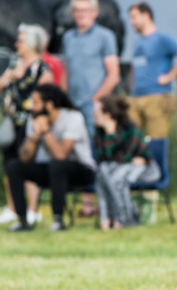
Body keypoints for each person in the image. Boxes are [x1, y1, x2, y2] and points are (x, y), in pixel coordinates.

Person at [4, 84, 97, 232]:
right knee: (14, 166)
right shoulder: (34, 118)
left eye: (35, 103)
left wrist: (46, 131)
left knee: (57, 164)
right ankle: (22, 220)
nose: (31, 107)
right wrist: (34, 136)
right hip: (50, 169)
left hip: (81, 171)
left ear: (49, 105)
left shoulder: (73, 117)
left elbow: (61, 155)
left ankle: (58, 220)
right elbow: (25, 158)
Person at [0, 23, 54, 227]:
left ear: (32, 43)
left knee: (27, 165)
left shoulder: (42, 70)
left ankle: (32, 209)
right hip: (12, 122)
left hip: (30, 124)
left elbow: (48, 98)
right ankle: (13, 207)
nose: (17, 44)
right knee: (9, 164)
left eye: (21, 40)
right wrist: (10, 76)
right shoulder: (14, 66)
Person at [62, 0, 120, 217]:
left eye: (85, 10)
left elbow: (113, 74)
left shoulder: (105, 37)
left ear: (95, 13)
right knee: (79, 154)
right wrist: (64, 99)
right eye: (77, 10)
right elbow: (67, 70)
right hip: (73, 106)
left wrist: (96, 100)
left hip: (93, 107)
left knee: (98, 152)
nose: (81, 14)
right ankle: (87, 205)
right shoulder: (68, 38)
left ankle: (104, 202)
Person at [127, 2, 177, 138]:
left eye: (134, 17)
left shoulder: (162, 38)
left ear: (146, 15)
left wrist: (170, 76)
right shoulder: (138, 42)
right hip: (136, 97)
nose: (131, 22)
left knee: (156, 141)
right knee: (132, 140)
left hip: (157, 96)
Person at [93, 95, 160, 230]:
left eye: (96, 112)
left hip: (145, 170)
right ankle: (107, 218)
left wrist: (111, 134)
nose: (93, 115)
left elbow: (123, 157)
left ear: (107, 115)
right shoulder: (100, 132)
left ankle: (124, 218)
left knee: (116, 176)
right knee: (103, 171)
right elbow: (102, 159)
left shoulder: (130, 128)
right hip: (118, 170)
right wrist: (109, 133)